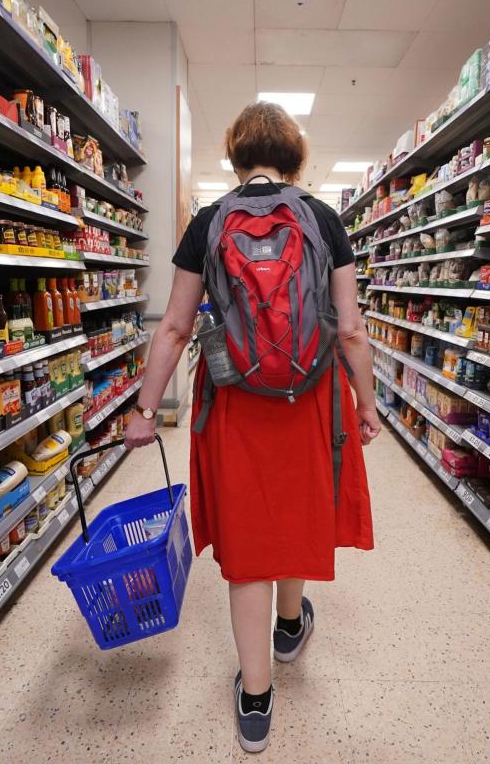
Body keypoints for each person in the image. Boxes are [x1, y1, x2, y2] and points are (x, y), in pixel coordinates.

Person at [124, 101, 379, 753]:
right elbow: (349, 328)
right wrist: (367, 404)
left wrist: (145, 410)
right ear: (295, 157)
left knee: (248, 540)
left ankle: (256, 699)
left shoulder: (208, 222)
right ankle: (289, 628)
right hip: (311, 395)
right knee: (295, 512)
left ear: (235, 157)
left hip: (233, 396)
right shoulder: (323, 219)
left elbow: (175, 327)